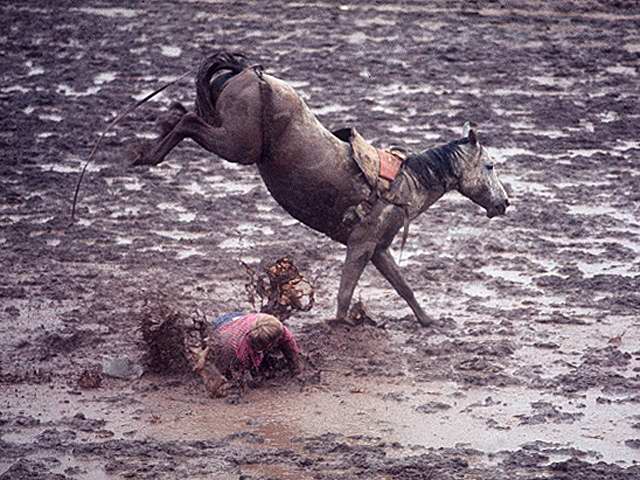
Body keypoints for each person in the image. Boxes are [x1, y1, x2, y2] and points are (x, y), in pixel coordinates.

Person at [191, 312, 302, 397]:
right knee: (228, 375)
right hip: (221, 329)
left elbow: (291, 348)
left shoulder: (275, 326)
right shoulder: (235, 350)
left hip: (241, 319)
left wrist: (296, 371)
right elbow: (228, 375)